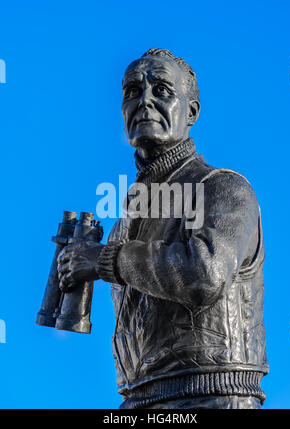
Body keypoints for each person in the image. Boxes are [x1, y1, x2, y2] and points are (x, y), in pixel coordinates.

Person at [57, 48, 269, 409]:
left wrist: (105, 260)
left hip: (211, 396)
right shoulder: (125, 222)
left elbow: (206, 274)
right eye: (132, 92)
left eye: (162, 90)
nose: (144, 101)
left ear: (191, 112)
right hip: (137, 400)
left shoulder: (222, 187)